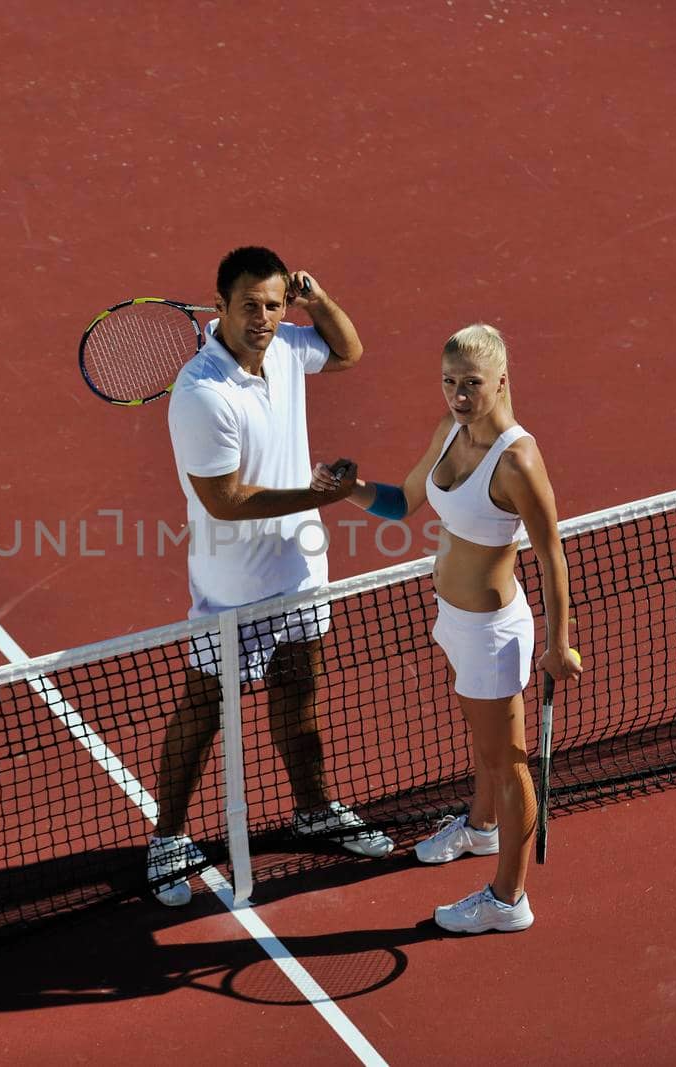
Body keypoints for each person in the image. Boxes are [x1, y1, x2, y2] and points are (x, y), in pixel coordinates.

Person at [313, 323, 581, 933]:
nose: (458, 395)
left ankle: (509, 899)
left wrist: (559, 642)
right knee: (483, 745)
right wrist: (348, 489)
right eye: (449, 382)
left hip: (492, 631)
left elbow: (552, 556)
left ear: (503, 381)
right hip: (455, 621)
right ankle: (482, 828)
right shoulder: (449, 433)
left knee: (508, 760)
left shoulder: (517, 460)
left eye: (472, 383)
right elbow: (403, 502)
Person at [148, 246, 394, 907]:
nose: (263, 317)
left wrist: (318, 299)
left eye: (274, 303)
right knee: (204, 710)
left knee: (299, 693)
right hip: (231, 589)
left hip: (301, 570)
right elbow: (224, 500)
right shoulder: (202, 395)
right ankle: (168, 837)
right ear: (220, 306)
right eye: (250, 305)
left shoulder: (286, 345)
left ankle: (312, 809)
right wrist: (320, 495)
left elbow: (348, 352)